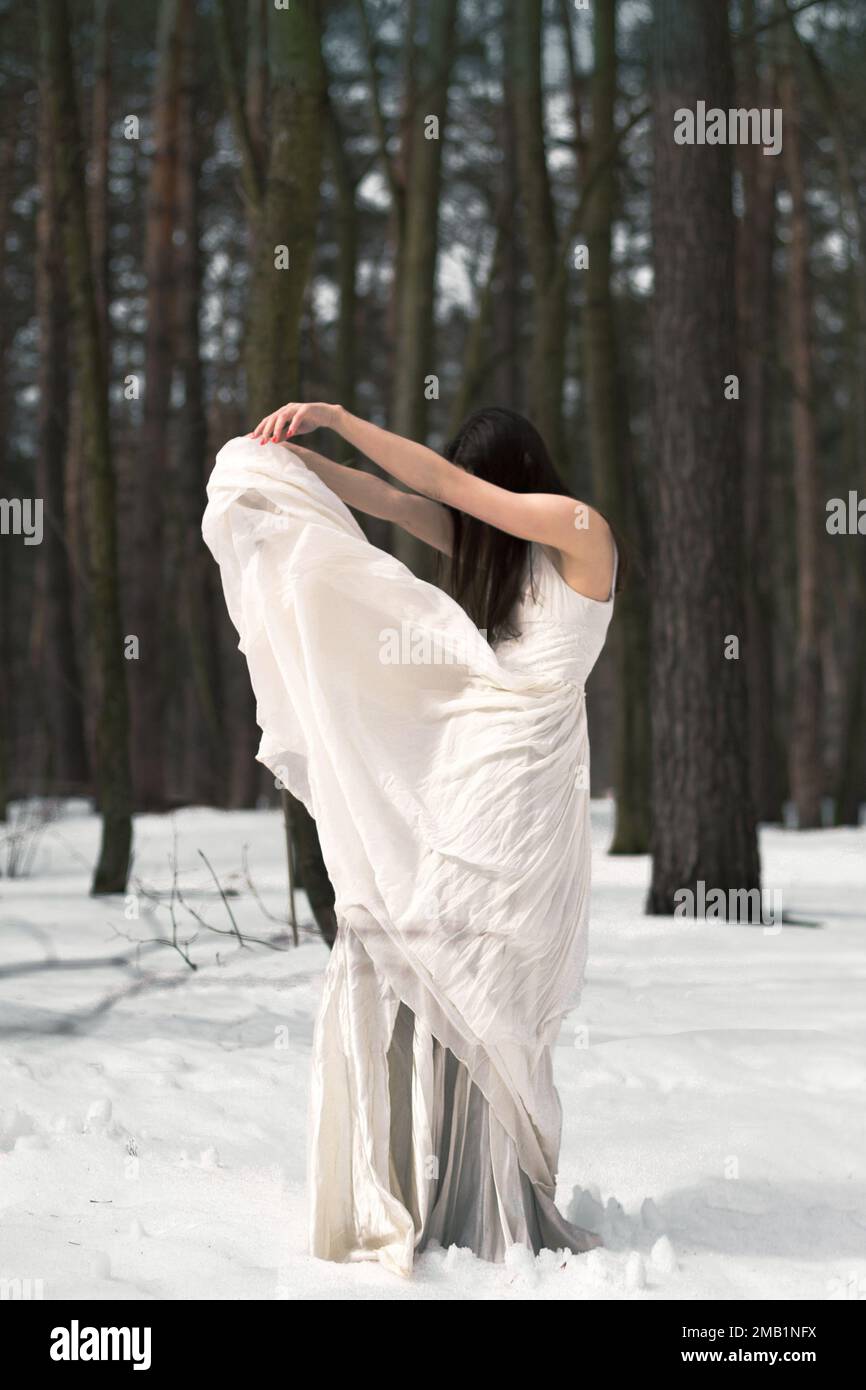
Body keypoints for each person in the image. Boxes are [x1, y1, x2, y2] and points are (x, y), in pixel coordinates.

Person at [202, 402, 619, 1277]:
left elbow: (432, 487)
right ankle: (442, 1188)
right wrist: (282, 463)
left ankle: (458, 1188)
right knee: (454, 959)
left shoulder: (579, 531)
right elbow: (391, 501)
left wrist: (333, 416)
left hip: (512, 788)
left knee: (481, 972)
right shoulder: (525, 542)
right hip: (497, 782)